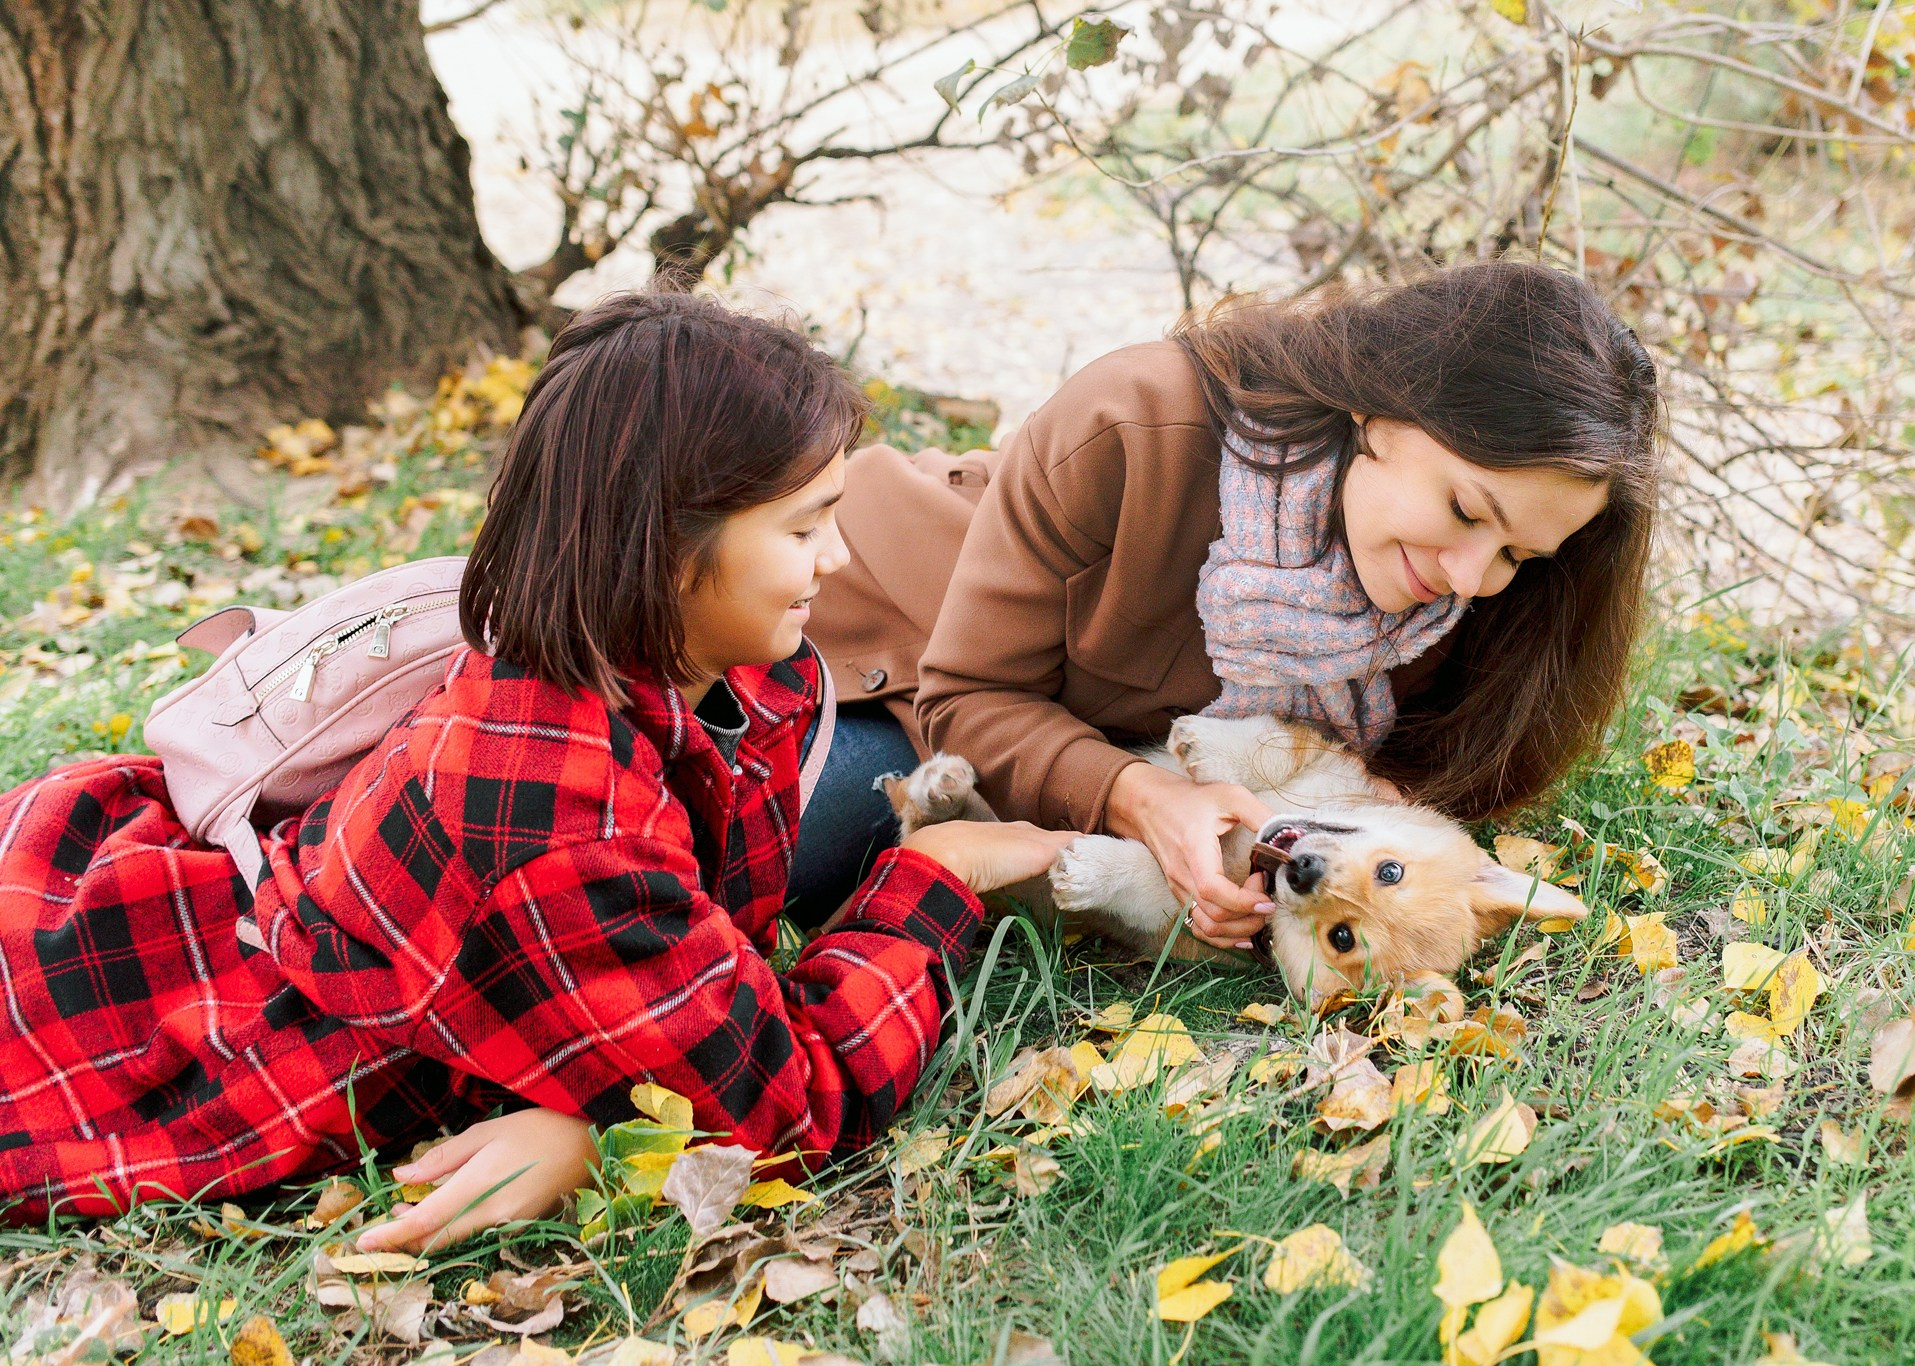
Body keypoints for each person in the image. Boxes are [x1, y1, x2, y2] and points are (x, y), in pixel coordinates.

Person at [0, 287, 1069, 1250]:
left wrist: (599, 1116)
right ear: (662, 544)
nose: (835, 559)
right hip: (129, 1017)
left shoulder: (687, 667)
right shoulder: (561, 803)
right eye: (804, 526)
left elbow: (701, 986)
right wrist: (938, 876)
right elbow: (791, 1109)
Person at [798, 260, 1663, 950]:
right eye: (1468, 511)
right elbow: (969, 698)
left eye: (1517, 553)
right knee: (751, 856)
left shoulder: (1464, 608)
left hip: (1003, 766)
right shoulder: (1135, 423)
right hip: (866, 630)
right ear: (1382, 405)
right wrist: (1136, 796)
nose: (1473, 576)